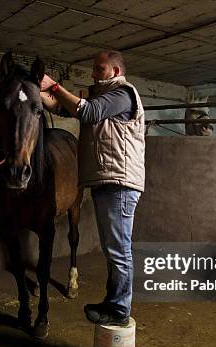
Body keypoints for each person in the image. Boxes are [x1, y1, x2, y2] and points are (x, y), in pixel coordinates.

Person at [39, 50, 145, 326]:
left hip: (118, 182)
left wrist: (54, 86)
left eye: (100, 69)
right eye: (94, 69)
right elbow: (66, 108)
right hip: (106, 180)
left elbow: (88, 111)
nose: (94, 74)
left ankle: (119, 310)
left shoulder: (122, 94)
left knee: (119, 251)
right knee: (114, 251)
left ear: (116, 72)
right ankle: (113, 303)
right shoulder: (100, 95)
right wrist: (41, 95)